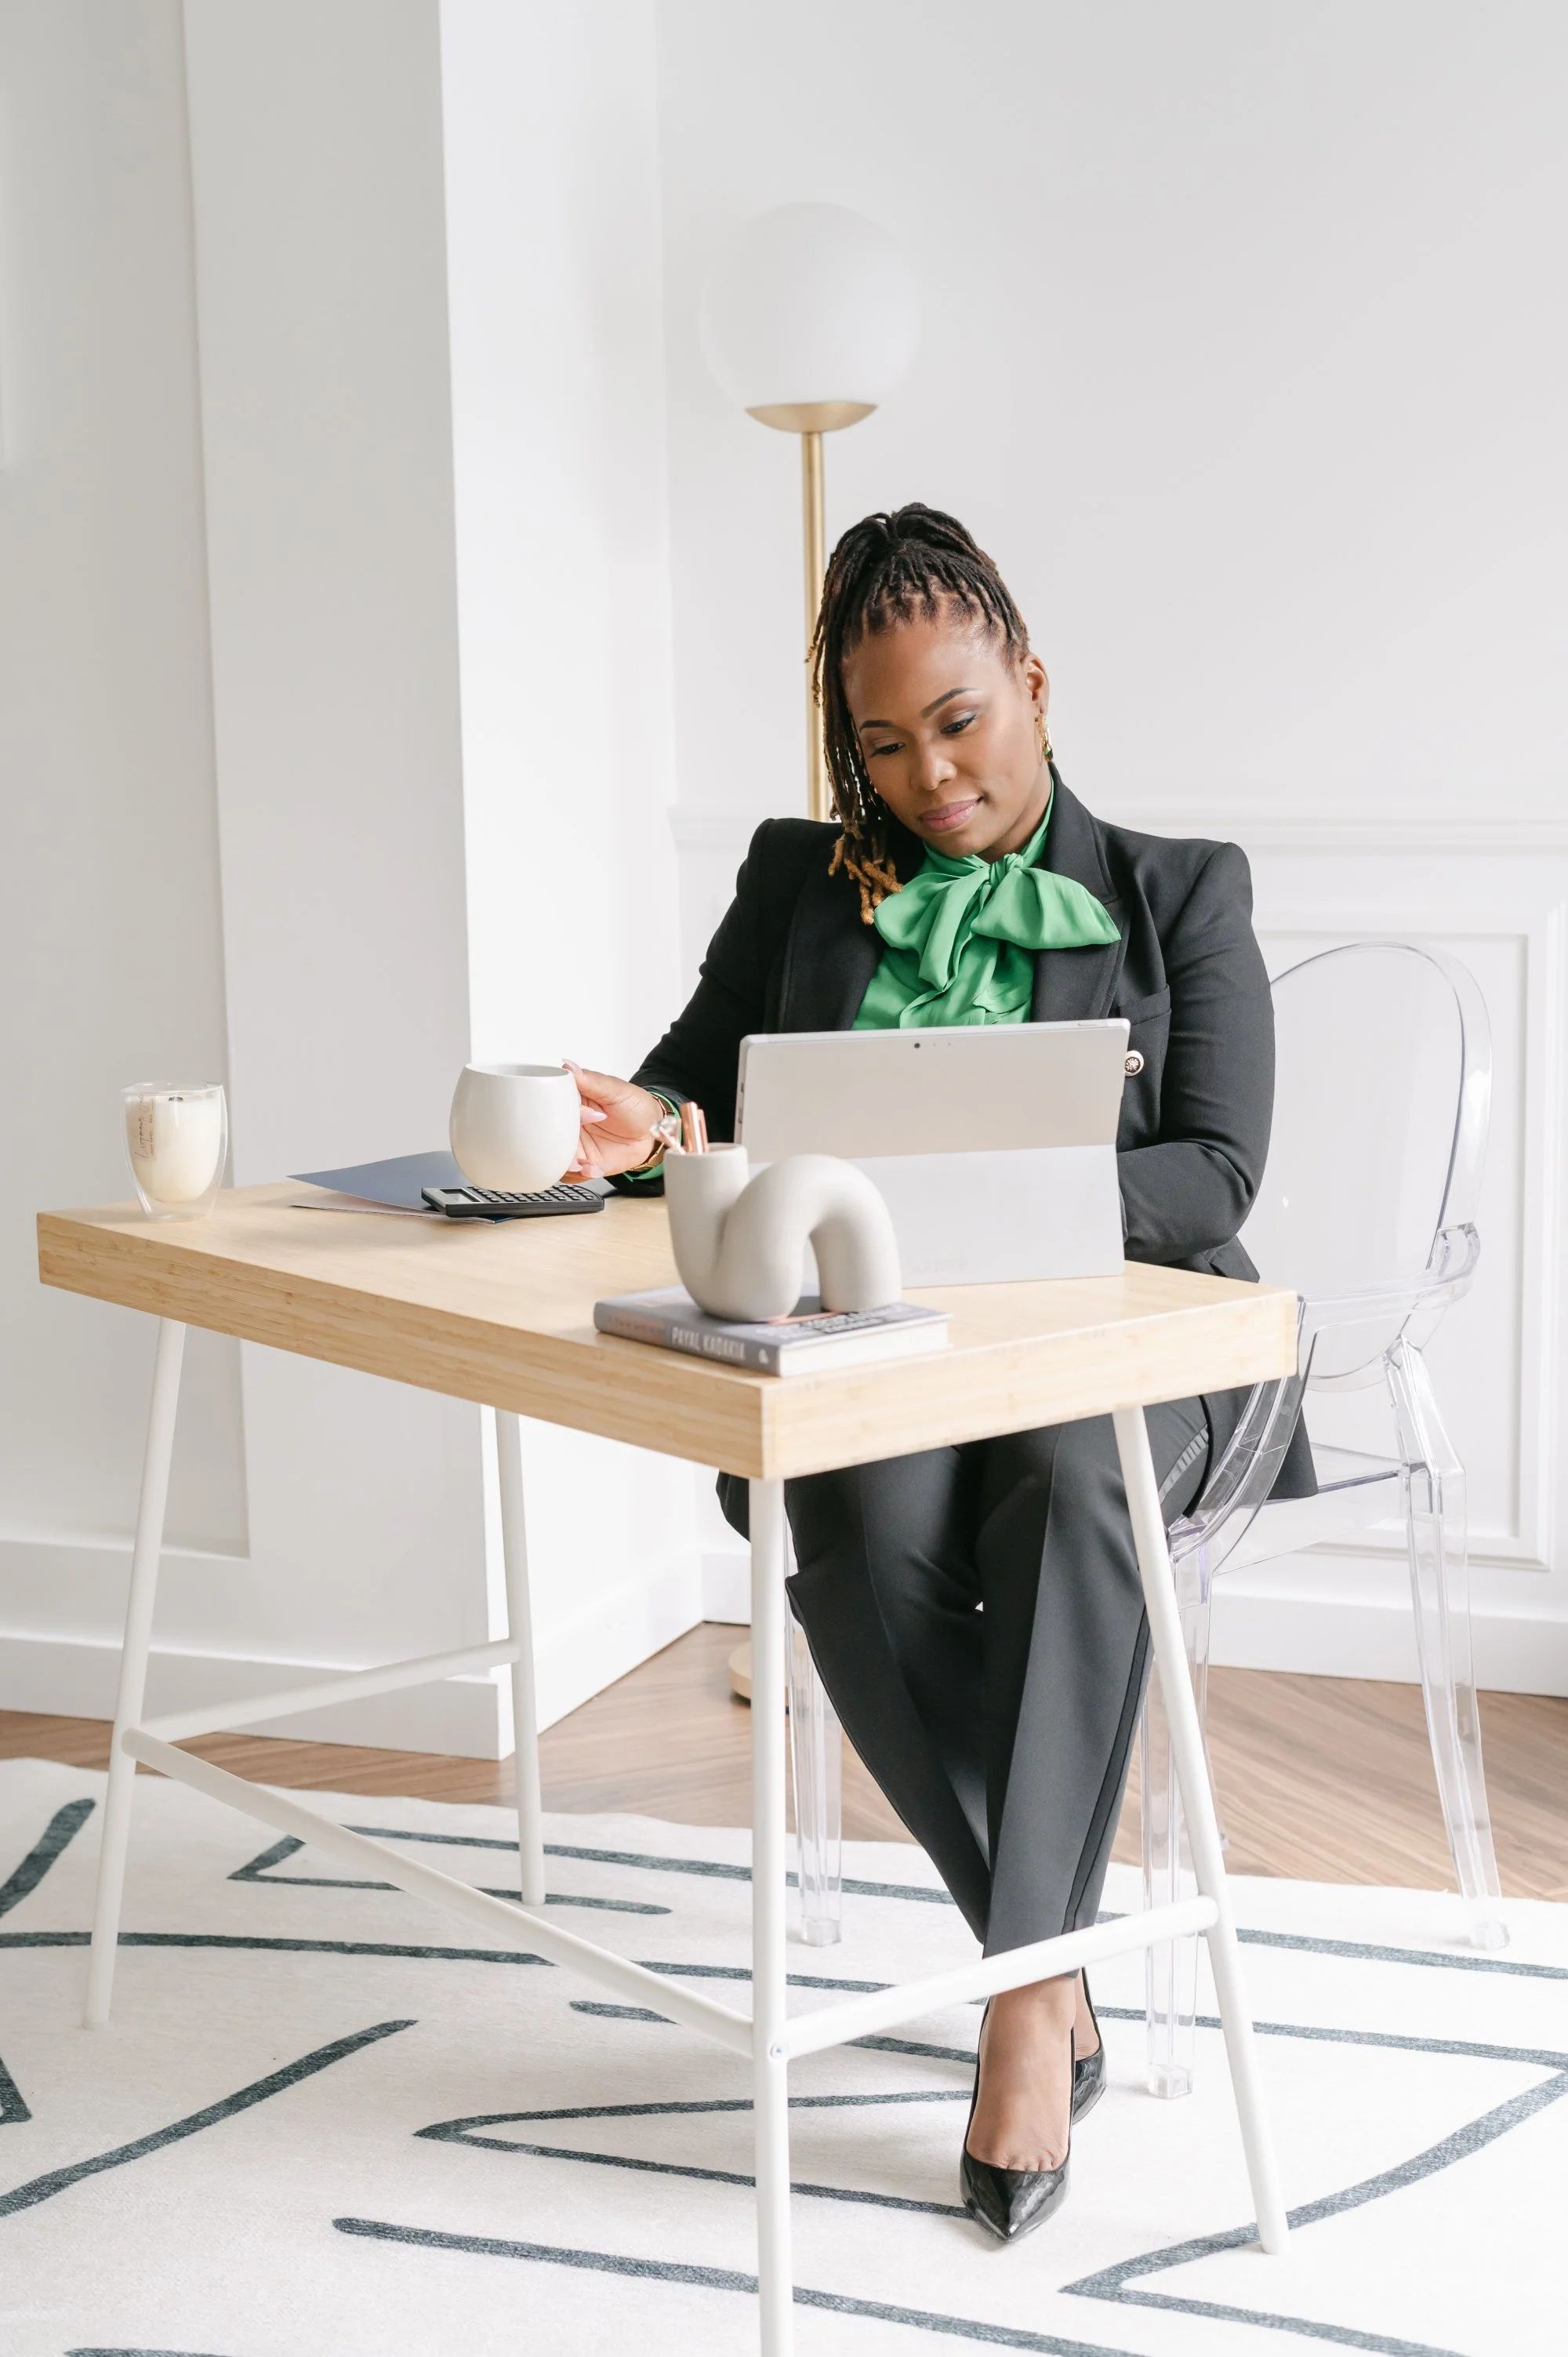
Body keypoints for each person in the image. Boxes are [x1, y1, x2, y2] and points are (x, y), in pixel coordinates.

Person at [564, 503, 1311, 2244]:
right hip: (876, 1348)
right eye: (884, 743)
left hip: (1126, 1349)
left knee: (1068, 1479)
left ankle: (1018, 2019)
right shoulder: (800, 881)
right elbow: (698, 1085)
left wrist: (987, 1203)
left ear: (1032, 679)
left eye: (960, 721)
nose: (931, 777)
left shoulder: (1179, 889)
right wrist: (644, 1123)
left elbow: (1213, 1173)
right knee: (846, 1519)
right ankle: (1045, 1967)